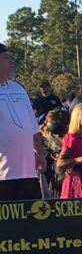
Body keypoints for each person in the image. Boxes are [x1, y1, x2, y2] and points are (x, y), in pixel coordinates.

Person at [0, 44, 46, 201]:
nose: (11, 62)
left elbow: (32, 126)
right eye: (6, 58)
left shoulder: (19, 89)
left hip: (27, 172)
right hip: (2, 174)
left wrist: (40, 153)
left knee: (30, 220)